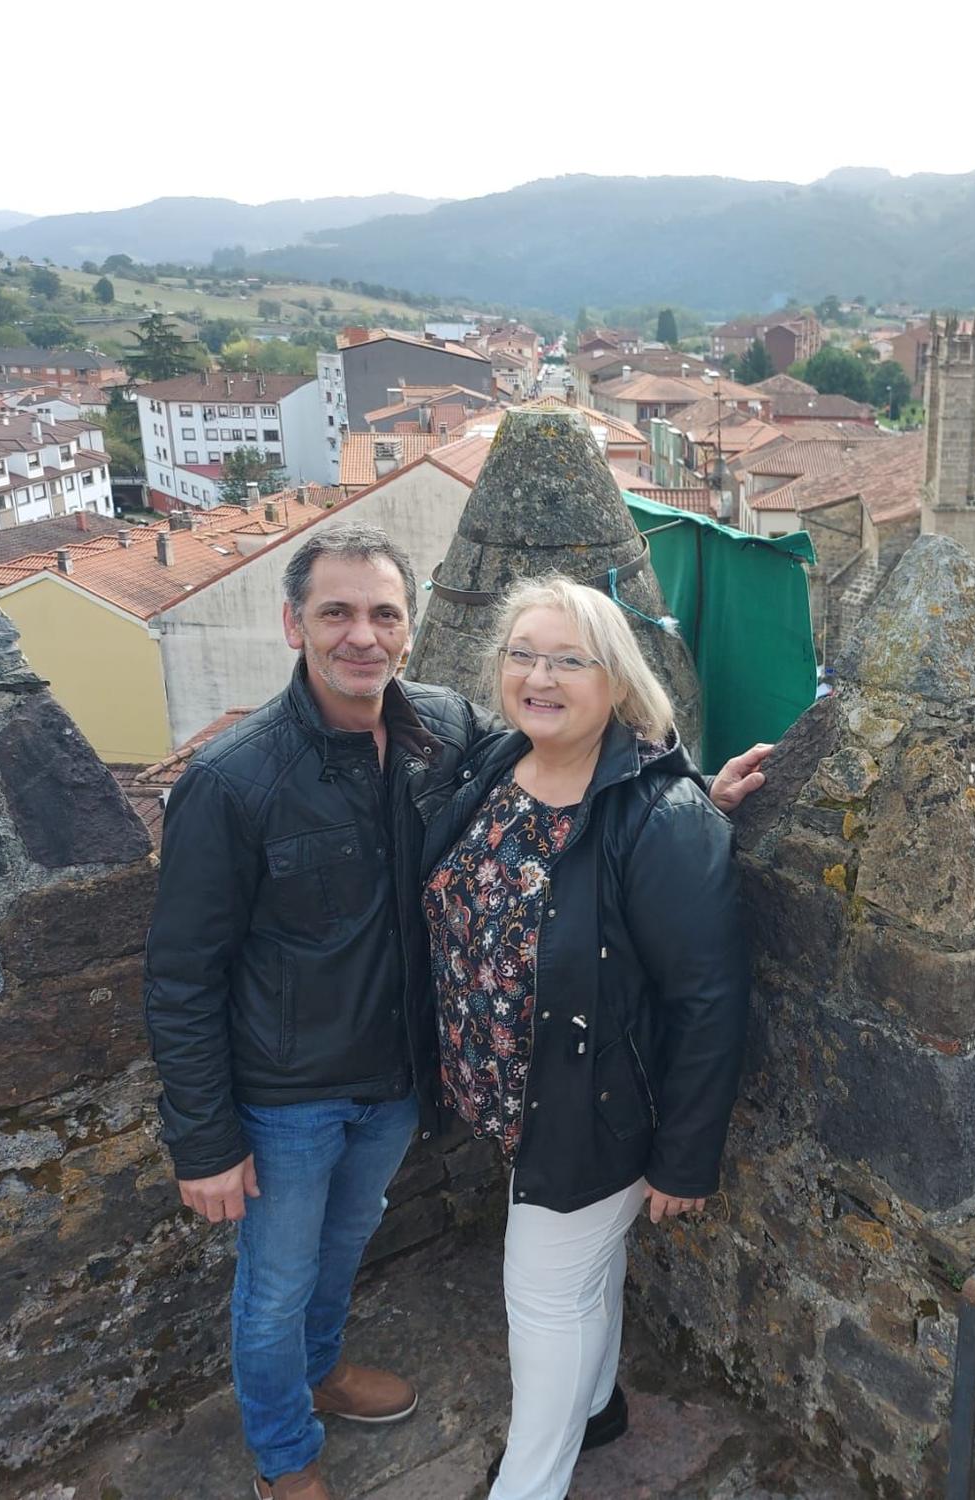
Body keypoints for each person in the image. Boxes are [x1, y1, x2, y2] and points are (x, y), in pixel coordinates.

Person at [144, 529, 765, 1500]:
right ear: (291, 625)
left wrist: (696, 799)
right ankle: (285, 1458)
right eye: (335, 613)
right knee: (273, 1289)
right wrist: (202, 1137)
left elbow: (618, 809)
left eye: (383, 613)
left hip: (408, 1082)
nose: (361, 635)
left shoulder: (443, 732)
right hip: (288, 1090)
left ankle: (350, 1384)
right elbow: (179, 974)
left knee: (362, 1261)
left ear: (409, 628)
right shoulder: (234, 781)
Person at [420, 576, 751, 1500]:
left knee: (542, 1299)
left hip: (595, 1111)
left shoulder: (663, 818)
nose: (541, 675)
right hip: (515, 1099)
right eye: (523, 654)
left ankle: (526, 1487)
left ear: (617, 678)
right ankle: (599, 1406)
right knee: (582, 1273)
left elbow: (709, 998)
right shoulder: (494, 765)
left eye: (570, 659)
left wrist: (686, 1160)